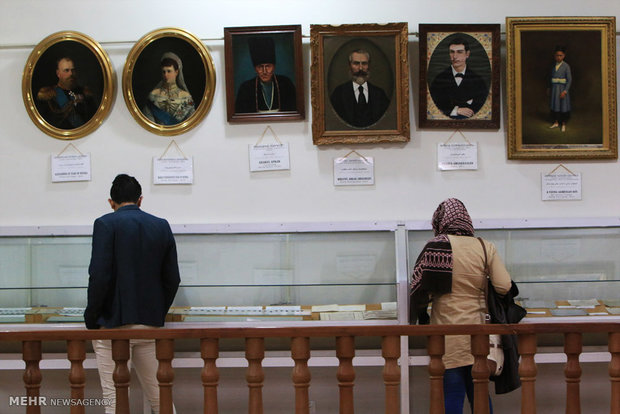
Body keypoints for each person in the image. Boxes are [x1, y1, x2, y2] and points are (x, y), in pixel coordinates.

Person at [84, 174, 180, 414]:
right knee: (160, 397)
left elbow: (100, 276)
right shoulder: (161, 225)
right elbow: (172, 279)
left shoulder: (105, 224)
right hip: (150, 324)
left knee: (115, 400)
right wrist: (157, 312)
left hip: (113, 326)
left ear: (111, 202)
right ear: (140, 200)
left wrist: (92, 318)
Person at [409, 198, 512, 414]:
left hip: (446, 334)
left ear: (440, 220)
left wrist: (420, 317)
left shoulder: (436, 246)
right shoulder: (484, 247)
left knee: (451, 395)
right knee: (480, 395)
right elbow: (503, 286)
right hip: (479, 333)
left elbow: (420, 291)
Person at [429, 37, 489, 119]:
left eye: (460, 52)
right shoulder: (439, 80)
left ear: (467, 54)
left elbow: (482, 107)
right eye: (452, 52)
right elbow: (434, 106)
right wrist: (456, 110)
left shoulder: (478, 80)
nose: (455, 56)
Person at [235, 36, 297, 113]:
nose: (264, 71)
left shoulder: (286, 84)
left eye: (268, 66)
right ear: (255, 69)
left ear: (274, 67)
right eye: (260, 67)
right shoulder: (245, 88)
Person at [330, 49, 390, 128]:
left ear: (369, 66)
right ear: (349, 66)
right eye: (356, 63)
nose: (361, 68)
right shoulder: (338, 94)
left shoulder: (379, 94)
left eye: (364, 63)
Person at [37, 57, 98, 129]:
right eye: (66, 70)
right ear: (58, 73)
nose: (71, 74)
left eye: (73, 70)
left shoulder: (86, 93)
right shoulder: (48, 95)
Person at [143, 52, 195, 125]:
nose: (166, 75)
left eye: (169, 71)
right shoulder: (153, 95)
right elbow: (148, 121)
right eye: (163, 72)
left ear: (176, 72)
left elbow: (191, 122)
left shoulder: (186, 97)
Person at [548, 46, 572, 132]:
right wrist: (549, 88)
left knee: (563, 107)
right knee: (555, 106)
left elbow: (569, 80)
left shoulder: (566, 66)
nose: (559, 57)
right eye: (557, 55)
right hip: (555, 89)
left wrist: (565, 91)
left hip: (562, 89)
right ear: (554, 56)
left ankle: (563, 124)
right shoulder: (553, 65)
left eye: (561, 55)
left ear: (564, 56)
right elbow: (550, 78)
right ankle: (556, 122)